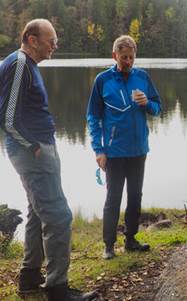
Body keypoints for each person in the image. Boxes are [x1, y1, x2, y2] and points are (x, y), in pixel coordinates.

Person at [0, 19, 97, 301]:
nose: (55, 45)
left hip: (35, 151)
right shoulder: (19, 64)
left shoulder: (24, 65)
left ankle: (29, 279)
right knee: (59, 215)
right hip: (33, 154)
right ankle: (57, 289)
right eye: (50, 39)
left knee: (36, 213)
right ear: (32, 39)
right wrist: (33, 146)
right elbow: (7, 117)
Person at [87, 35, 162, 260]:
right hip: (114, 152)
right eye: (124, 57)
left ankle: (131, 240)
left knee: (135, 196)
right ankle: (109, 245)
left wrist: (147, 103)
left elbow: (158, 108)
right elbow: (93, 116)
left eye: (131, 57)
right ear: (115, 56)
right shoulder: (103, 80)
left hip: (139, 150)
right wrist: (98, 150)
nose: (128, 61)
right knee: (113, 198)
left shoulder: (143, 77)